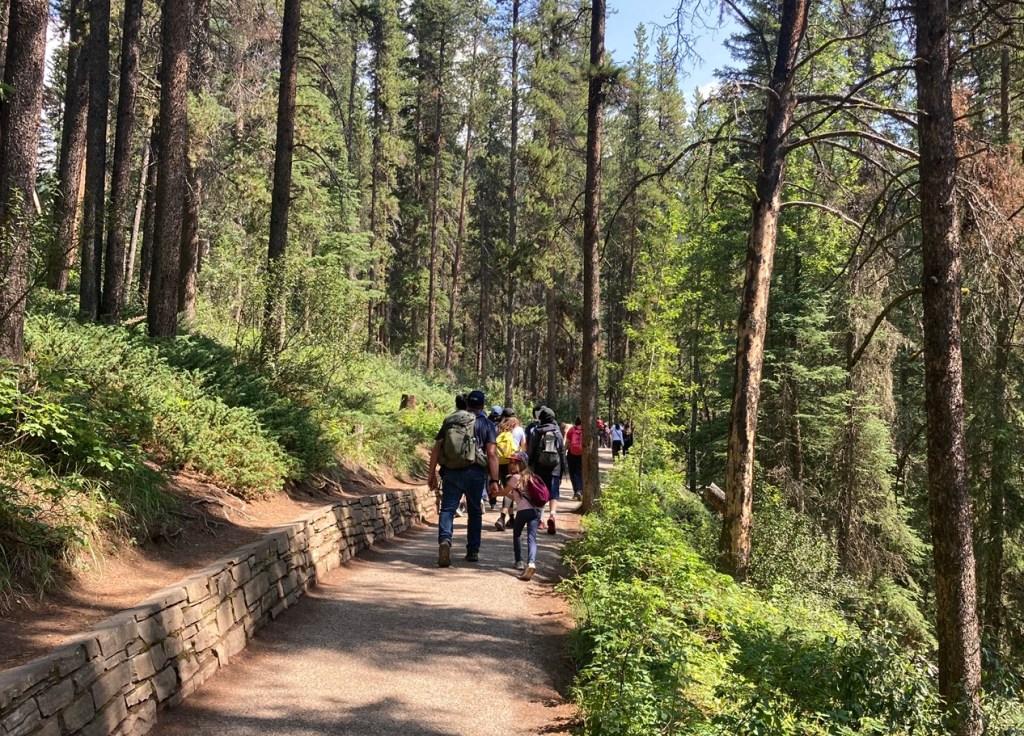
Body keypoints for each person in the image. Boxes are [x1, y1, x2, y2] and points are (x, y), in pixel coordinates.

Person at [427, 390, 500, 567]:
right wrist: (494, 480)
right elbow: (492, 454)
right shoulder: (487, 424)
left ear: (467, 404)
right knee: (474, 511)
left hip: (451, 471)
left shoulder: (451, 420)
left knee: (447, 509)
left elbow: (437, 448)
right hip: (475, 473)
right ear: (482, 405)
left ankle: (445, 540)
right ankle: (473, 550)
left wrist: (431, 473)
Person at [492, 451, 540, 580]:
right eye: (510, 463)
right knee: (532, 538)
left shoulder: (515, 478)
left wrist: (495, 493)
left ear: (522, 464)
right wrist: (505, 494)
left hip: (523, 512)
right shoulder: (531, 476)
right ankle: (531, 562)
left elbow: (505, 492)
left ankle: (519, 561)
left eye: (515, 463)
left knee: (517, 535)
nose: (511, 465)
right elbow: (515, 497)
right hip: (534, 512)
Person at [527, 406, 567, 534]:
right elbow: (561, 452)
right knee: (553, 494)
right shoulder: (557, 432)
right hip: (555, 468)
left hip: (539, 468)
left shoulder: (536, 431)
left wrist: (529, 466)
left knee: (541, 493)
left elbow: (531, 451)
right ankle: (552, 515)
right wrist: (562, 471)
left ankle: (541, 519)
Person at [494, 408, 527, 530]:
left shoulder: (498, 428)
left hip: (500, 462)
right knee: (510, 490)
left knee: (507, 489)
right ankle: (502, 517)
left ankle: (512, 519)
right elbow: (524, 448)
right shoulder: (519, 429)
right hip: (513, 462)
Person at [565, 416, 584, 501]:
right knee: (580, 472)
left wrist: (564, 451)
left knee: (572, 473)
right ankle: (580, 490)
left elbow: (567, 443)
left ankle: (576, 491)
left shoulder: (572, 430)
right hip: (583, 454)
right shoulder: (586, 430)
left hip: (571, 453)